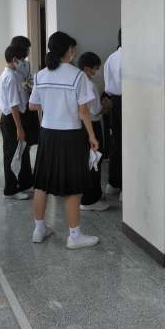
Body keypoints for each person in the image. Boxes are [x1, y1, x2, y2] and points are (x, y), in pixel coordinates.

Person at [29, 31, 100, 249]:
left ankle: (39, 229)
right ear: (68, 50)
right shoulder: (77, 76)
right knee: (73, 186)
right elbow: (83, 111)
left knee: (42, 184)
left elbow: (32, 105)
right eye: (73, 48)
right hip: (71, 135)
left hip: (47, 134)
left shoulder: (41, 75)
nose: (74, 52)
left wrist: (51, 103)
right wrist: (92, 136)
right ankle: (74, 237)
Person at [0, 44, 35, 199]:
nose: (24, 61)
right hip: (12, 119)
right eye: (22, 59)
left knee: (23, 151)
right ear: (14, 59)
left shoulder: (15, 73)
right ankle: (11, 189)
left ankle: (25, 183)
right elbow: (13, 105)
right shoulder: (10, 77)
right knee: (12, 154)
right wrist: (19, 128)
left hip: (19, 116)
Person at [78, 52, 110, 212]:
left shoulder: (77, 81)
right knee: (95, 161)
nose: (96, 72)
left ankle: (91, 195)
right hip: (92, 126)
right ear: (87, 68)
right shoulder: (89, 86)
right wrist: (106, 106)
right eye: (95, 68)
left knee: (88, 161)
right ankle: (90, 200)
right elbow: (96, 111)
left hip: (80, 126)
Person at [104, 28, 122, 197]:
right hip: (127, 102)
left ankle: (113, 182)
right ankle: (125, 188)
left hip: (114, 102)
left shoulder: (111, 58)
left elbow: (108, 84)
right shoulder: (130, 58)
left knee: (116, 141)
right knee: (129, 143)